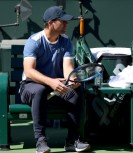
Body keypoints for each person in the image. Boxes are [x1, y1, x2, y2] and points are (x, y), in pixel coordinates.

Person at [19, 6, 90, 153]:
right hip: (29, 87)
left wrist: (71, 79)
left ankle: (72, 140)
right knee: (40, 90)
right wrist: (51, 81)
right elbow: (29, 71)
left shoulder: (66, 41)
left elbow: (68, 68)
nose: (66, 24)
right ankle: (41, 142)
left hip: (55, 87)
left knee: (77, 93)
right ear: (51, 23)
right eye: (62, 21)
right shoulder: (34, 41)